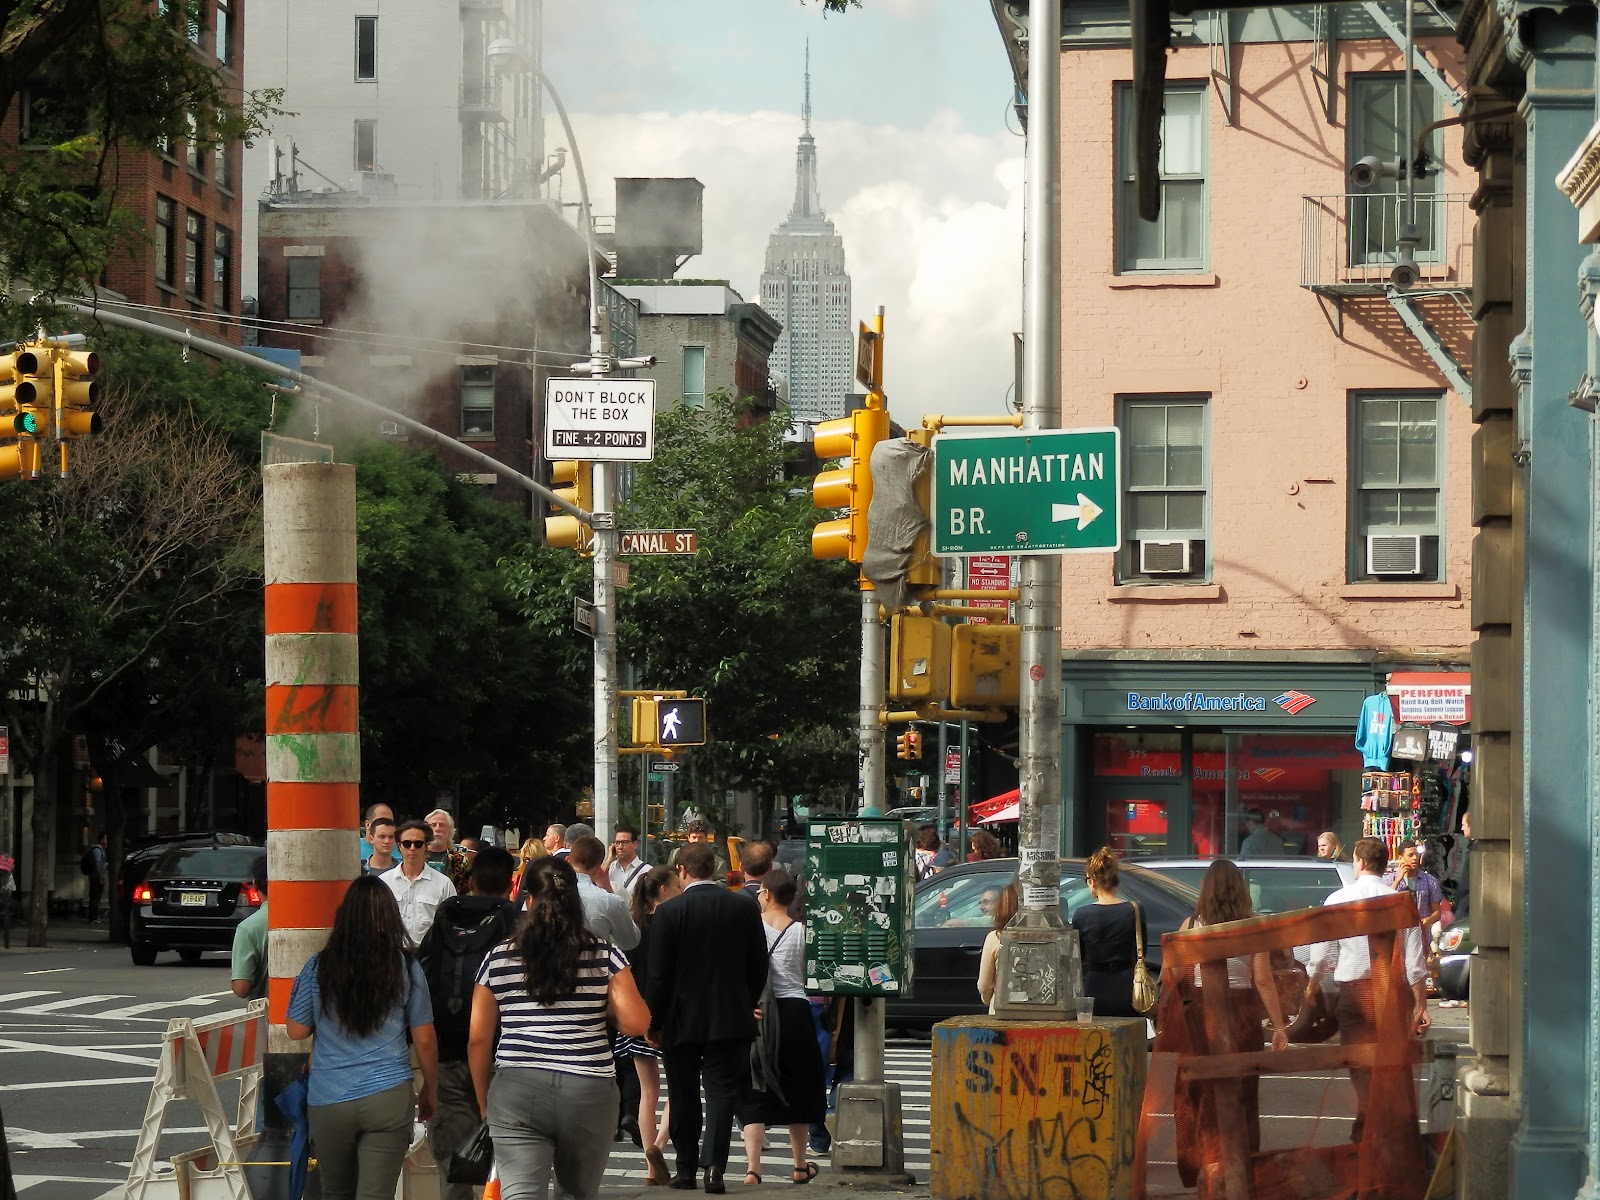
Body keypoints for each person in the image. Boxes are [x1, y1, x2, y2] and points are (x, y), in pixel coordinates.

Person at [468, 856, 651, 1200]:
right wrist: (605, 1008)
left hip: (517, 1088)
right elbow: (636, 1022)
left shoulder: (498, 957)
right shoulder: (604, 955)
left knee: (519, 1192)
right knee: (577, 1193)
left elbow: (478, 1039)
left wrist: (484, 1103)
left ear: (528, 900)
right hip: (589, 1088)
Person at [286, 875, 438, 1200]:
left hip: (328, 1098)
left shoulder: (319, 967)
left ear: (344, 916)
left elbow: (296, 1029)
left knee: (336, 1193)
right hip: (388, 1094)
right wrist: (430, 1089)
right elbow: (424, 1038)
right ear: (389, 916)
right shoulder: (406, 967)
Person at [645, 842, 769, 1193]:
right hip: (729, 1014)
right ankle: (714, 1166)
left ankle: (685, 1168)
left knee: (682, 1091)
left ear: (682, 871)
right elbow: (758, 962)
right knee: (721, 1091)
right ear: (713, 869)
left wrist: (653, 1020)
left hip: (680, 1017)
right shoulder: (742, 908)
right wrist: (747, 999)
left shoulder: (669, 912)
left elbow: (658, 976)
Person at [1171, 860, 1289, 1184]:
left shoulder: (1192, 923)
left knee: (1205, 1095)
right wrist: (1278, 1027)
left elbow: (1179, 975)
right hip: (1242, 1017)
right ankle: (1243, 1168)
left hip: (1202, 1015)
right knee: (1244, 1093)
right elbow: (1262, 980)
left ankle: (1209, 1168)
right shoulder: (1253, 925)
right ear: (1240, 889)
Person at [1304, 835, 1430, 1142]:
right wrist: (1420, 1005)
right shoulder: (1400, 902)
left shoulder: (1337, 900)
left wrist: (1311, 987)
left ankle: (1367, 1130)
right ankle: (1388, 1132)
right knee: (1390, 1066)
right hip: (1392, 994)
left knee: (1361, 1066)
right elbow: (1414, 963)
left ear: (1359, 862)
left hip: (1354, 992)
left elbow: (1322, 956)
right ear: (1386, 864)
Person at [417, 847, 521, 1200]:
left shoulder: (445, 920)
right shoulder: (516, 924)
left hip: (446, 1048)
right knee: (511, 1150)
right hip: (501, 1052)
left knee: (456, 1154)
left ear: (472, 881)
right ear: (510, 883)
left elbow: (423, 976)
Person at [737, 866, 827, 1186]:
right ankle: (800, 1165)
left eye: (762, 891)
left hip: (760, 1012)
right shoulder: (802, 932)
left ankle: (753, 1168)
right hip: (795, 1011)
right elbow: (811, 975)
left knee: (755, 1084)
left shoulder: (752, 930)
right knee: (798, 1085)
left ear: (768, 894)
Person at [622, 866, 682, 1184]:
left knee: (648, 1091)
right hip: (669, 1014)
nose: (681, 888)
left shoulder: (633, 925)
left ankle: (650, 1165)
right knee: (678, 1087)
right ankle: (658, 1145)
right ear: (663, 889)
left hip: (635, 1013)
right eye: (677, 885)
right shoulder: (671, 923)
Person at [1069, 847, 1148, 1017]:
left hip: (1095, 985)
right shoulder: (1134, 910)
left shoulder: (1081, 915)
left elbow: (1077, 957)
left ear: (1092, 881)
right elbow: (1142, 950)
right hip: (1127, 986)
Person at [381, 819, 457, 944]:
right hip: (392, 954)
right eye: (406, 843)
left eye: (418, 844)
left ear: (426, 846)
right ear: (399, 846)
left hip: (429, 956)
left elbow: (452, 924)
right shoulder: (384, 882)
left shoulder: (444, 884)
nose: (412, 848)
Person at [569, 835, 640, 951]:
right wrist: (608, 890)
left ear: (568, 860)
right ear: (598, 869)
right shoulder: (609, 900)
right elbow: (630, 941)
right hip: (595, 966)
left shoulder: (545, 892)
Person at [1385, 839, 1444, 938]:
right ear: (1401, 858)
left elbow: (1437, 912)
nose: (1415, 858)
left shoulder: (1429, 881)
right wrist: (1398, 880)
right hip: (1397, 935)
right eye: (1410, 855)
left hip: (1420, 935)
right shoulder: (1389, 880)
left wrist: (1427, 921)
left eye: (1416, 854)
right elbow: (1385, 904)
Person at [229, 856, 269, 1001]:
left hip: (266, 1014)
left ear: (255, 883)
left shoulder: (248, 927)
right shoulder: (308, 920)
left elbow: (241, 988)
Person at [976, 884, 1020, 1013]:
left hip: (1002, 1011)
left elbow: (984, 985)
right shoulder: (1047, 936)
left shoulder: (995, 937)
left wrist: (989, 999)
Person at [424, 810, 472, 893]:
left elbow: (467, 894)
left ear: (450, 830)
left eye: (442, 825)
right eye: (433, 825)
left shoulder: (460, 861)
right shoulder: (416, 856)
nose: (437, 829)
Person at [606, 824, 650, 898]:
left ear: (635, 844)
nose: (620, 847)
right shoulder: (610, 868)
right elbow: (597, 881)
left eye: (624, 842)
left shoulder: (647, 870)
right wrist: (609, 859)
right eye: (617, 843)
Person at [85, 833, 108, 922]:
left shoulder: (101, 850)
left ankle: (93, 916)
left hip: (96, 875)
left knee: (96, 896)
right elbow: (97, 864)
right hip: (96, 876)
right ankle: (93, 917)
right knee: (95, 896)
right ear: (101, 840)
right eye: (106, 838)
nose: (107, 841)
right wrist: (101, 877)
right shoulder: (98, 850)